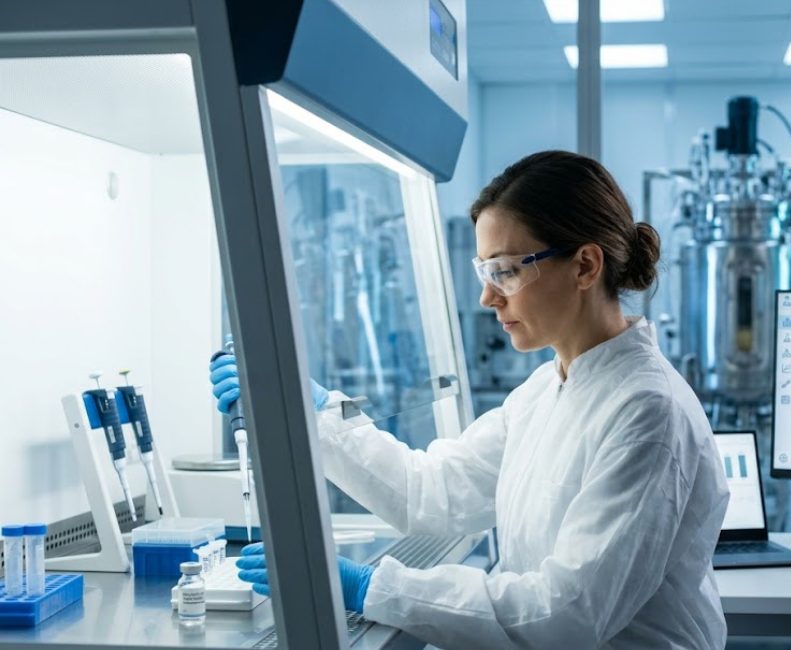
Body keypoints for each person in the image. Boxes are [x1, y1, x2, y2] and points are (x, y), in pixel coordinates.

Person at [211, 150, 730, 649]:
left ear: (585, 266)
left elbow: (565, 615)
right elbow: (430, 493)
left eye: (505, 271)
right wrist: (310, 410)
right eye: (485, 273)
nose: (487, 298)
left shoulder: (647, 411)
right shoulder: (545, 391)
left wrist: (368, 586)